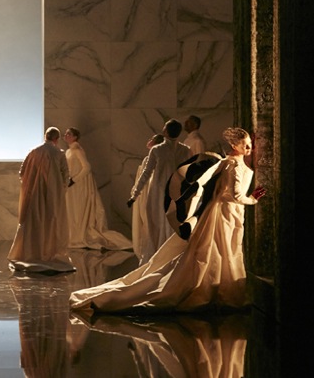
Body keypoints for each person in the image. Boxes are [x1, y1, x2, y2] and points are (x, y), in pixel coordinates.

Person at [70, 127, 267, 314]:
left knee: (217, 249)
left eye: (250, 144)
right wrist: (253, 199)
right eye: (245, 144)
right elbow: (234, 194)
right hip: (224, 213)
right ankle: (216, 289)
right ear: (234, 145)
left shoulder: (227, 162)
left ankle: (217, 287)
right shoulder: (232, 165)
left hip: (222, 212)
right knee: (218, 248)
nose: (249, 148)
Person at [7, 127, 76, 273]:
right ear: (56, 139)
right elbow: (65, 176)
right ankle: (49, 253)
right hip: (53, 195)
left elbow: (22, 172)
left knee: (34, 222)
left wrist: (32, 184)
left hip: (33, 195)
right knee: (51, 222)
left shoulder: (34, 152)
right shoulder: (59, 153)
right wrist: (60, 190)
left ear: (45, 136)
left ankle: (31, 252)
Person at [126, 119, 191, 264]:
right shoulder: (186, 150)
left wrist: (135, 195)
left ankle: (159, 257)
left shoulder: (157, 150)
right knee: (172, 224)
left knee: (156, 226)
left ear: (165, 131)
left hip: (158, 194)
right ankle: (171, 256)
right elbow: (190, 174)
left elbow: (146, 173)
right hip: (177, 193)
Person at [63, 127, 131, 251]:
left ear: (75, 137)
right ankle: (74, 235)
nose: (66, 135)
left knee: (78, 211)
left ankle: (79, 235)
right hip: (72, 186)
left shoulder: (77, 150)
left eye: (69, 134)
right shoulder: (69, 151)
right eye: (66, 133)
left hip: (79, 186)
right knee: (73, 211)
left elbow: (86, 167)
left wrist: (74, 179)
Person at [131, 133, 165, 263]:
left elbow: (145, 177)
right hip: (147, 193)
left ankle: (147, 252)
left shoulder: (151, 158)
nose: (149, 140)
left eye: (152, 139)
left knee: (146, 222)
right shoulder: (153, 158)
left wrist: (136, 191)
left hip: (146, 194)